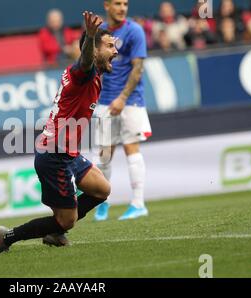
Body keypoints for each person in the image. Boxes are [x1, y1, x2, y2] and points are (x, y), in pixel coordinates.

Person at [0, 11, 117, 254]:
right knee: (67, 219)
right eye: (110, 46)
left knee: (102, 189)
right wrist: (90, 38)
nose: (115, 51)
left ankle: (55, 232)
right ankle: (8, 237)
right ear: (94, 49)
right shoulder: (84, 73)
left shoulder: (92, 77)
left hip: (67, 152)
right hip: (54, 154)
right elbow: (86, 62)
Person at [93, 0, 152, 221]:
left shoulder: (134, 30)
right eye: (117, 3)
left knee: (131, 149)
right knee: (104, 154)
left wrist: (123, 98)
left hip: (130, 101)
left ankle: (138, 203)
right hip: (104, 101)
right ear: (107, 5)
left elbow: (138, 68)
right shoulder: (100, 33)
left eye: (125, 4)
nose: (122, 8)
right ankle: (102, 203)